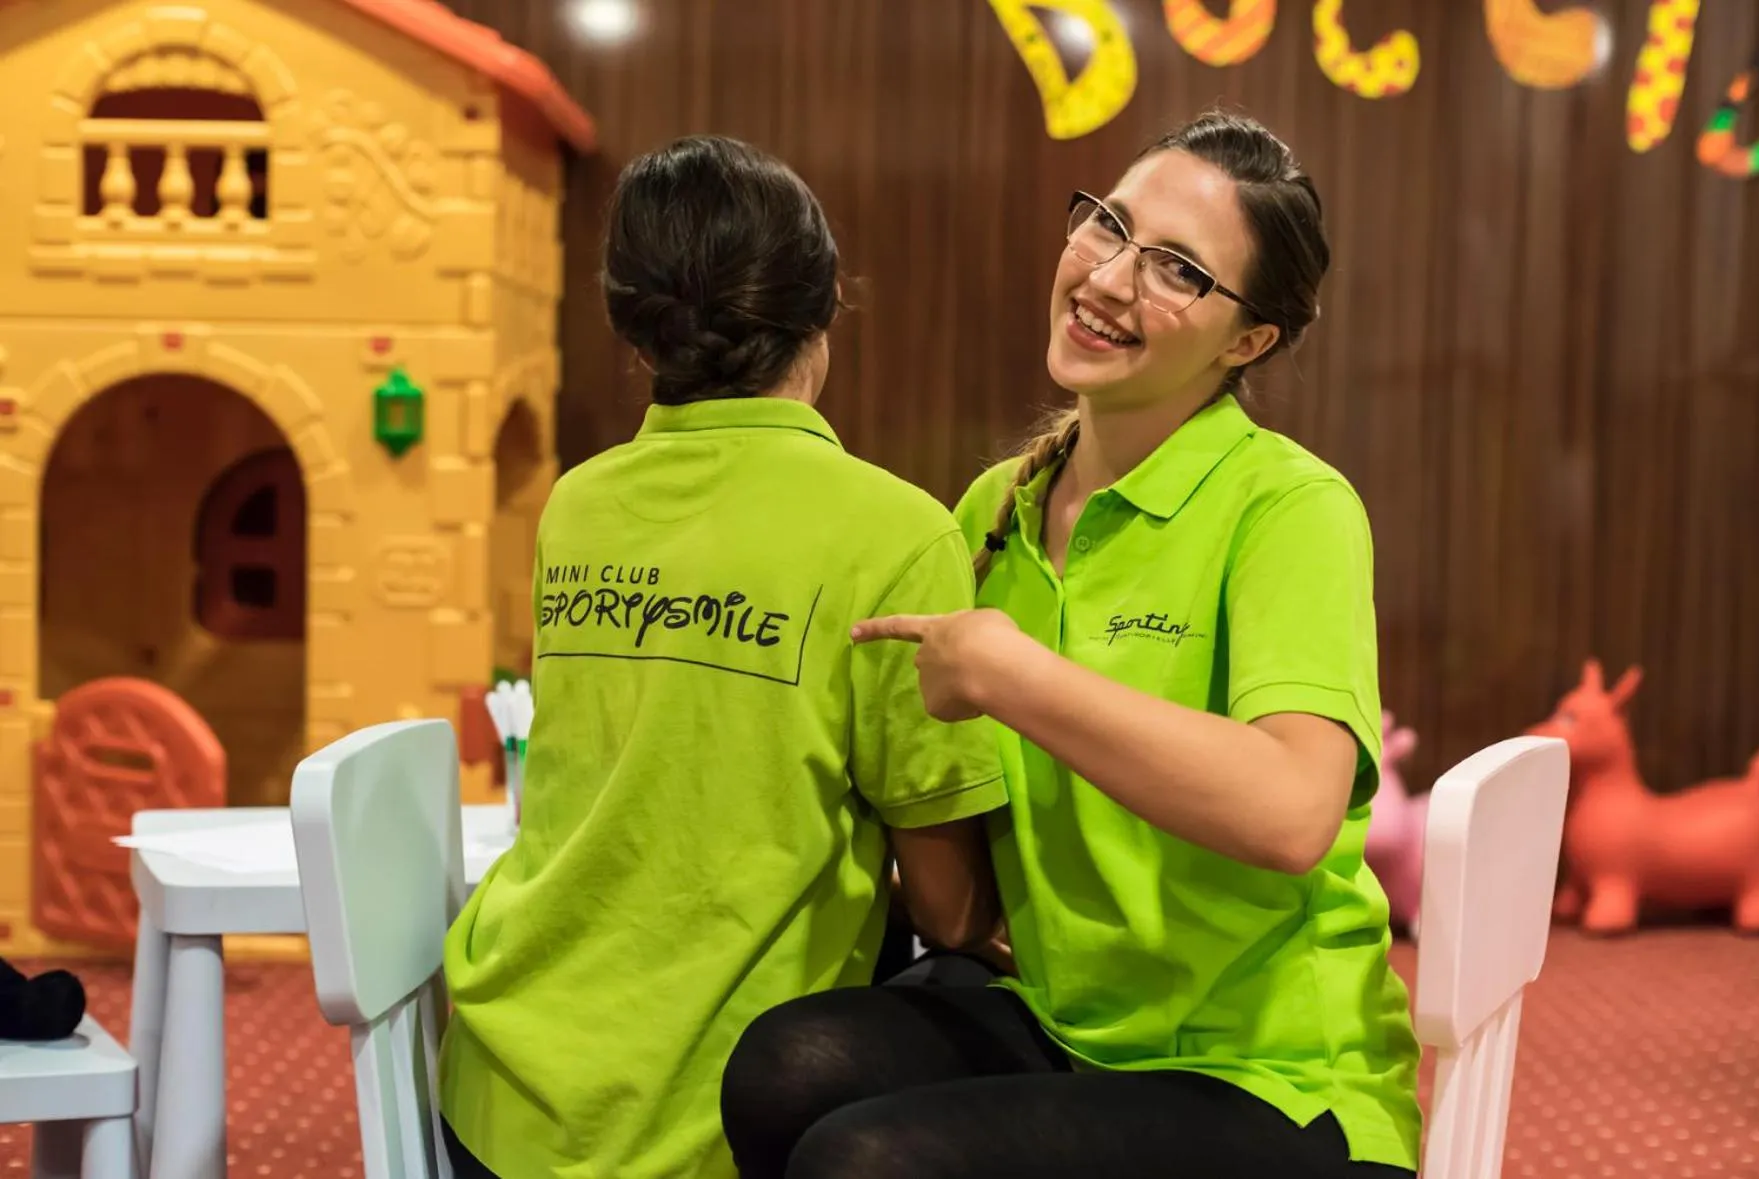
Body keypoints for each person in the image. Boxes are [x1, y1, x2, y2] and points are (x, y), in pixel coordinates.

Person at [719, 111, 1423, 1178]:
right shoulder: (992, 509)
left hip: (1269, 1076)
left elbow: (1291, 812)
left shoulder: (1290, 508)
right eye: (1107, 226)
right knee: (782, 1069)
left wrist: (1013, 675)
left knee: (869, 1164)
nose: (1107, 278)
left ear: (1248, 341)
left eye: (1176, 269)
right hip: (1057, 1019)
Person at [438, 135, 1008, 1179]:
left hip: (496, 1094)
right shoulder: (896, 533)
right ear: (824, 303)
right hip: (723, 1117)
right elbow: (949, 909)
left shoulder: (578, 503)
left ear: (631, 323)